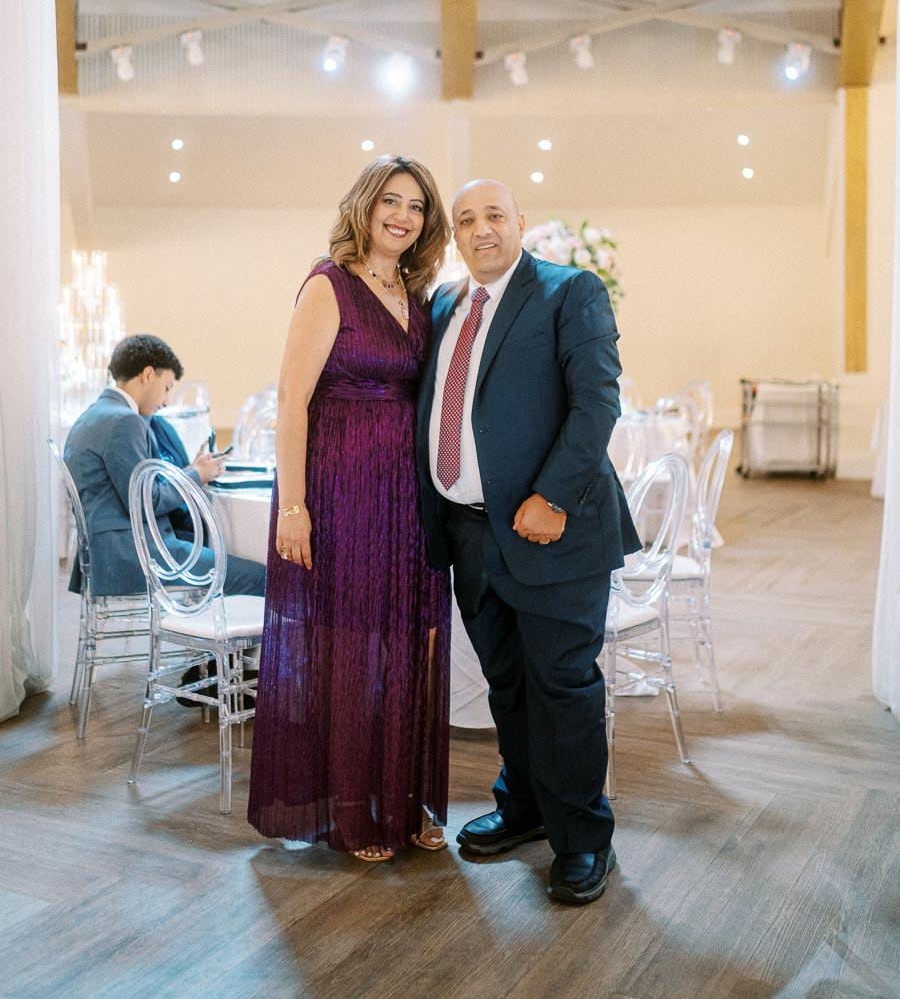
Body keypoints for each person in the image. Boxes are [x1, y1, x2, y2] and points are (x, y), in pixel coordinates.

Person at [416, 180, 641, 905]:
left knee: (562, 685)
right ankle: (525, 808)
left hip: (552, 531)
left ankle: (582, 837)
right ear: (454, 235)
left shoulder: (569, 291)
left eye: (493, 215)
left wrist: (553, 498)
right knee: (506, 682)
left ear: (521, 222)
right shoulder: (444, 304)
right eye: (465, 220)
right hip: (469, 533)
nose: (480, 229)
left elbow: (597, 402)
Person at [247, 155, 452, 862]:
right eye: (391, 200)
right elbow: (290, 401)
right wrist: (293, 507)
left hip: (408, 498)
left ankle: (401, 796)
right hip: (340, 494)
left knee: (409, 644)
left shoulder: (417, 295)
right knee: (350, 648)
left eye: (417, 206)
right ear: (364, 206)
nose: (403, 216)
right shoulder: (328, 284)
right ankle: (347, 808)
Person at [65, 334, 265, 599]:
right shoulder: (125, 422)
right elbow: (145, 502)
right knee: (262, 577)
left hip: (111, 555)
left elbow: (135, 490)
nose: (166, 400)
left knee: (224, 556)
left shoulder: (93, 415)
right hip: (138, 559)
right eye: (167, 387)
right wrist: (196, 475)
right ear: (148, 375)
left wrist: (188, 472)